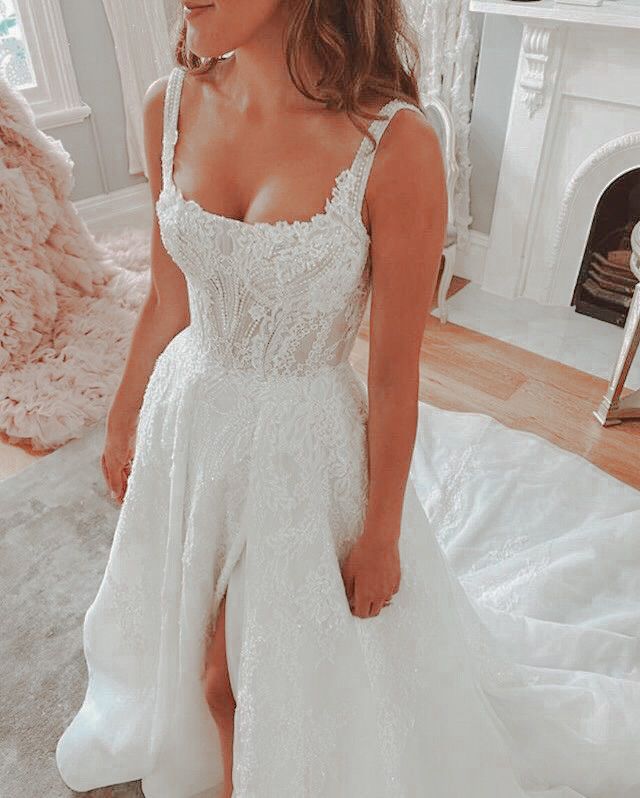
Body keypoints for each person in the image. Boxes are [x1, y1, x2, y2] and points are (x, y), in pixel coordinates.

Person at [55, 2, 640, 797]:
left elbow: (395, 376)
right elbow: (168, 298)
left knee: (246, 672)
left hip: (299, 451)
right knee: (192, 651)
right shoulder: (169, 104)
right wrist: (125, 417)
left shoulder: (395, 146)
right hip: (186, 419)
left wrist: (382, 537)